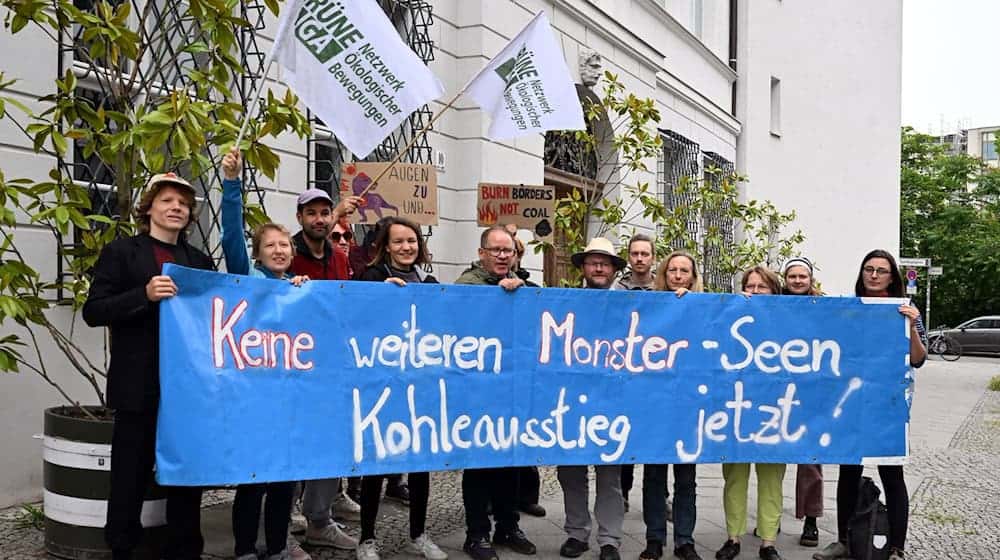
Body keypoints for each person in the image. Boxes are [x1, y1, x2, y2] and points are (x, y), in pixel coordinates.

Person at [83, 170, 213, 560]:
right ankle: (121, 547)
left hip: (186, 389)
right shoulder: (122, 252)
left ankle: (185, 549)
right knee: (129, 475)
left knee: (187, 477)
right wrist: (143, 294)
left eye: (184, 203)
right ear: (149, 208)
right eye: (167, 201)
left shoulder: (199, 261)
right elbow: (93, 311)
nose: (177, 207)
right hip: (138, 384)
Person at [220, 148, 310, 560]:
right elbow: (230, 238)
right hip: (253, 398)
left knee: (283, 482)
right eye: (270, 245)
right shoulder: (246, 277)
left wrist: (306, 296)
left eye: (285, 245)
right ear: (257, 254)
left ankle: (276, 549)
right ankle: (243, 550)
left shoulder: (297, 287)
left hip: (289, 400)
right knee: (252, 482)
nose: (279, 250)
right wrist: (232, 184)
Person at [813, 250, 926, 560]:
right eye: (869, 269)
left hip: (888, 405)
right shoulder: (850, 309)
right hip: (852, 402)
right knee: (849, 471)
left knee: (892, 474)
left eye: (881, 271)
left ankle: (896, 548)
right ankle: (843, 540)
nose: (874, 275)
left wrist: (913, 327)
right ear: (862, 273)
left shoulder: (906, 309)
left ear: (892, 277)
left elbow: (918, 358)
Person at [354, 217, 447, 560]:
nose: (406, 247)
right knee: (377, 465)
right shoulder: (371, 277)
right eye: (398, 242)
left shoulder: (431, 282)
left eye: (412, 241)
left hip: (420, 385)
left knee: (420, 463)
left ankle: (418, 534)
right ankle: (366, 538)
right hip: (382, 385)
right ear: (385, 247)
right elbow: (356, 314)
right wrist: (379, 296)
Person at [456, 226, 537, 560]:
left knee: (510, 462)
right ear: (482, 253)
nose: (503, 256)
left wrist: (523, 293)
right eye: (497, 250)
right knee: (479, 465)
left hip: (512, 390)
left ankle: (508, 525)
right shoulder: (467, 286)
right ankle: (476, 534)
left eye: (509, 251)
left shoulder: (524, 286)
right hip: (477, 391)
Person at [291, 189, 365, 551]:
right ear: (300, 217)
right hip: (294, 368)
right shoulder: (288, 254)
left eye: (325, 213)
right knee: (294, 443)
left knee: (331, 443)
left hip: (333, 367)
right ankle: (287, 516)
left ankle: (319, 519)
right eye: (312, 213)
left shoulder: (338, 258)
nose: (320, 219)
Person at [557, 237, 627, 560]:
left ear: (614, 269)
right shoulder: (564, 301)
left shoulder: (633, 304)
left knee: (609, 474)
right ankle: (576, 533)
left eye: (604, 262)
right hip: (572, 400)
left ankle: (610, 539)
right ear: (583, 268)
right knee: (570, 470)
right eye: (592, 261)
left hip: (613, 402)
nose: (598, 267)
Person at [715, 266, 787, 560]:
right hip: (736, 409)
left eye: (762, 287)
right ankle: (733, 537)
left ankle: (768, 541)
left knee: (771, 477)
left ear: (774, 292)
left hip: (774, 410)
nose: (755, 292)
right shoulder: (730, 318)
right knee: (735, 476)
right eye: (750, 286)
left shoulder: (786, 323)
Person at [643, 251, 702, 560]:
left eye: (684, 271)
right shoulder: (650, 308)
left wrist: (690, 305)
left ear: (692, 277)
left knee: (686, 478)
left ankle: (684, 540)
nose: (678, 275)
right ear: (664, 275)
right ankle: (654, 539)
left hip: (688, 407)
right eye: (673, 270)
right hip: (655, 405)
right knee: (654, 476)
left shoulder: (701, 309)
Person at [503, 224, 546, 519]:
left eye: (514, 251)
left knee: (526, 439)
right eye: (504, 250)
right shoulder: (478, 283)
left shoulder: (531, 289)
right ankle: (500, 504)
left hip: (527, 373)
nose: (510, 256)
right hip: (498, 374)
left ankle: (527, 496)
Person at [780, 257, 824, 547]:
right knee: (767, 457)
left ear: (810, 279)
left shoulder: (824, 307)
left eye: (802, 276)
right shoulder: (772, 304)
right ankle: (768, 518)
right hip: (774, 388)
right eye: (792, 276)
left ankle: (811, 519)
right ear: (785, 279)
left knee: (810, 460)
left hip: (810, 392)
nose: (797, 281)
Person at [614, 234, 657, 516]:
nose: (639, 258)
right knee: (626, 436)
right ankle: (624, 492)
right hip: (626, 372)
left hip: (657, 372)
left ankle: (658, 497)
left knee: (656, 437)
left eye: (645, 253)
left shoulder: (664, 287)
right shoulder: (618, 288)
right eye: (635, 253)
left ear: (653, 257)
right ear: (629, 257)